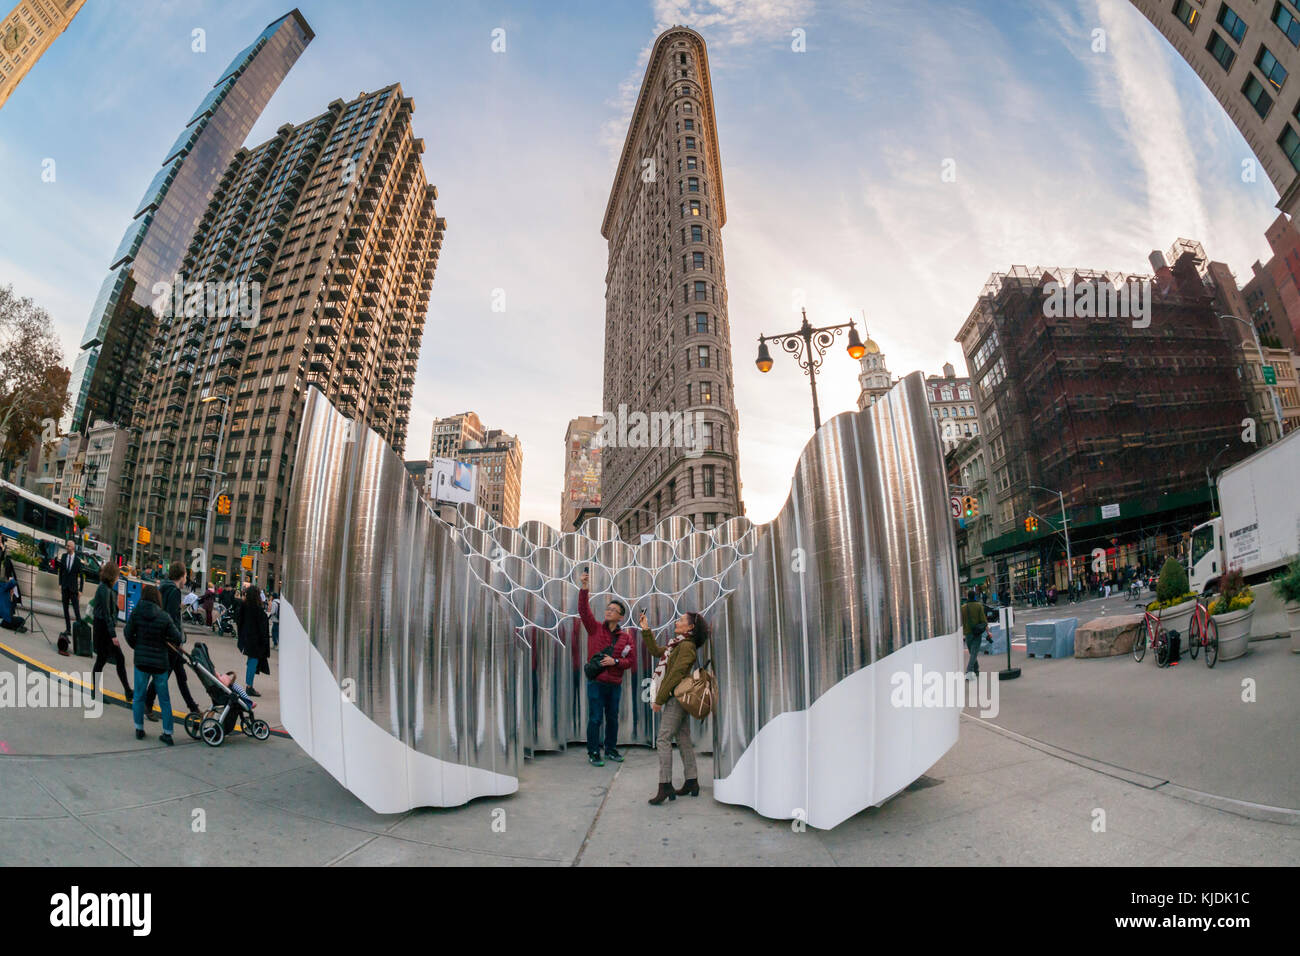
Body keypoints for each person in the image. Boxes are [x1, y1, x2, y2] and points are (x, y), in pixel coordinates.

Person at [640, 609, 709, 804]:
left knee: (663, 738)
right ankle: (692, 780)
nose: (677, 621)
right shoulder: (676, 645)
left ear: (690, 626)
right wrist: (646, 629)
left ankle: (665, 785)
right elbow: (655, 651)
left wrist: (659, 699)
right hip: (677, 698)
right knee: (683, 737)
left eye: (681, 620)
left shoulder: (686, 646)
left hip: (676, 698)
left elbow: (676, 675)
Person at [576, 570, 635, 767]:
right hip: (597, 682)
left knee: (612, 718)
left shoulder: (626, 638)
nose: (608, 611)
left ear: (620, 617)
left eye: (613, 610)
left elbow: (630, 661)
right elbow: (584, 610)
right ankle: (593, 751)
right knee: (595, 718)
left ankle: (610, 749)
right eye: (607, 608)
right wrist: (584, 588)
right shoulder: (594, 628)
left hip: (614, 685)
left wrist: (615, 662)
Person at [142, 562, 201, 720]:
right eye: (186, 576)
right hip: (171, 641)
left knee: (179, 676)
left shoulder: (164, 587)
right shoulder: (174, 591)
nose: (186, 579)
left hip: (166, 639)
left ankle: (193, 707)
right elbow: (171, 618)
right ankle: (148, 703)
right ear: (181, 576)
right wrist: (178, 637)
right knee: (164, 675)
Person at [125, 584, 182, 745]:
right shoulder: (164, 616)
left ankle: (139, 728)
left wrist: (136, 646)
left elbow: (127, 633)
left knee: (139, 696)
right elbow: (177, 637)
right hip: (160, 663)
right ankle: (167, 732)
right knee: (164, 699)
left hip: (141, 661)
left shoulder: (136, 613)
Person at [91, 563, 131, 702]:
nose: (118, 578)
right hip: (104, 631)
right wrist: (113, 635)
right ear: (112, 575)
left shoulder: (106, 588)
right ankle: (97, 692)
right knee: (103, 660)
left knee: (113, 659)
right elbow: (107, 614)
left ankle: (127, 690)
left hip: (104, 629)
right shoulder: (104, 589)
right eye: (117, 575)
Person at [236, 585, 270, 697]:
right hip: (255, 641)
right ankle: (249, 687)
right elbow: (262, 627)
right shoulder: (257, 609)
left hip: (246, 638)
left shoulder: (244, 606)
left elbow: (238, 620)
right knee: (253, 662)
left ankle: (249, 685)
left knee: (251, 661)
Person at [56, 538, 84, 641]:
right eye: (66, 546)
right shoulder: (63, 557)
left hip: (73, 589)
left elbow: (81, 576)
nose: (66, 547)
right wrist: (60, 584)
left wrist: (80, 590)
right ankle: (68, 629)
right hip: (65, 587)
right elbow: (61, 571)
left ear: (72, 548)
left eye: (68, 546)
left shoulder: (77, 560)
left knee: (76, 610)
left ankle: (80, 629)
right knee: (65, 609)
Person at [962, 588, 988, 680]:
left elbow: (961, 621)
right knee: (974, 653)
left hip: (967, 633)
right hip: (977, 633)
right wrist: (988, 632)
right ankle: (969, 671)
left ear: (967, 597)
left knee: (972, 653)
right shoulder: (979, 606)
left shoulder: (963, 608)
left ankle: (976, 670)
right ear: (975, 596)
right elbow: (984, 621)